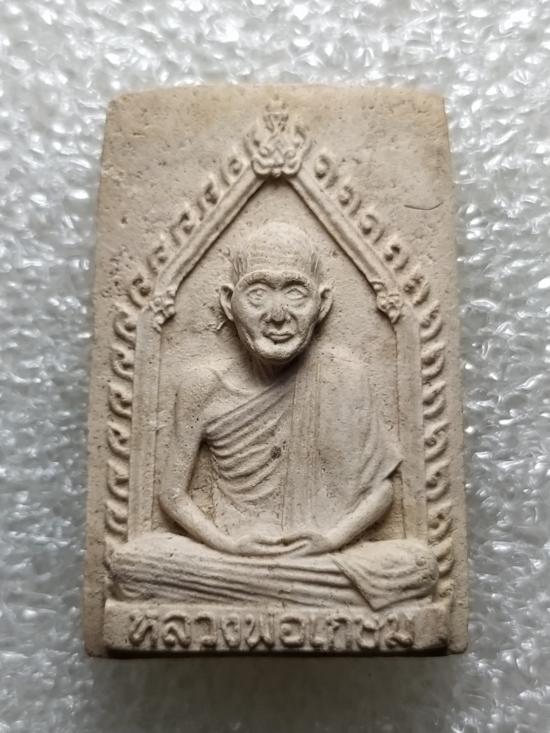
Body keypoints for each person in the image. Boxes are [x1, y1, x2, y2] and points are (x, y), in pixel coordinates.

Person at [111, 223, 438, 610]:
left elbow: (382, 491)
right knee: (134, 564)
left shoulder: (344, 376)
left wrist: (330, 541)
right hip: (229, 556)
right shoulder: (202, 385)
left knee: (417, 566)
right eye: (258, 294)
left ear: (322, 304)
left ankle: (262, 591)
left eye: (295, 293)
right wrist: (229, 546)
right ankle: (290, 591)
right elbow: (172, 495)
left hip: (322, 555)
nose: (278, 315)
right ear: (229, 302)